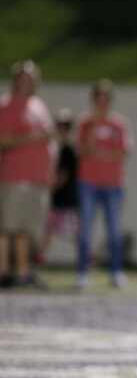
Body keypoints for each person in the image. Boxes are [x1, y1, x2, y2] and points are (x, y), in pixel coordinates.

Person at [0, 60, 54, 289]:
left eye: (30, 78)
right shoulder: (6, 105)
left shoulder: (38, 105)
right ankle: (3, 272)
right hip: (15, 176)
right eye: (22, 77)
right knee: (7, 227)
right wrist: (33, 138)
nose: (26, 82)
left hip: (38, 177)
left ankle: (22, 273)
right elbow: (3, 140)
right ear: (15, 80)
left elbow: (48, 139)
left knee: (25, 230)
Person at [76, 79, 132, 290]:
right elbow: (82, 150)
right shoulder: (84, 123)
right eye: (98, 99)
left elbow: (123, 152)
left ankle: (116, 272)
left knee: (115, 231)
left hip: (113, 184)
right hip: (88, 182)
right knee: (85, 230)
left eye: (105, 99)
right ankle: (82, 272)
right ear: (93, 100)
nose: (102, 104)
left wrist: (100, 153)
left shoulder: (119, 124)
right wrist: (94, 127)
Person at [41, 108, 79, 261]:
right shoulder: (52, 147)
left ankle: (87, 259)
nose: (62, 129)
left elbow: (63, 176)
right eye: (59, 125)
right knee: (48, 232)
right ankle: (38, 258)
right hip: (55, 199)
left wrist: (48, 189)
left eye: (66, 126)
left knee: (75, 234)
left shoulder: (69, 150)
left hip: (66, 200)